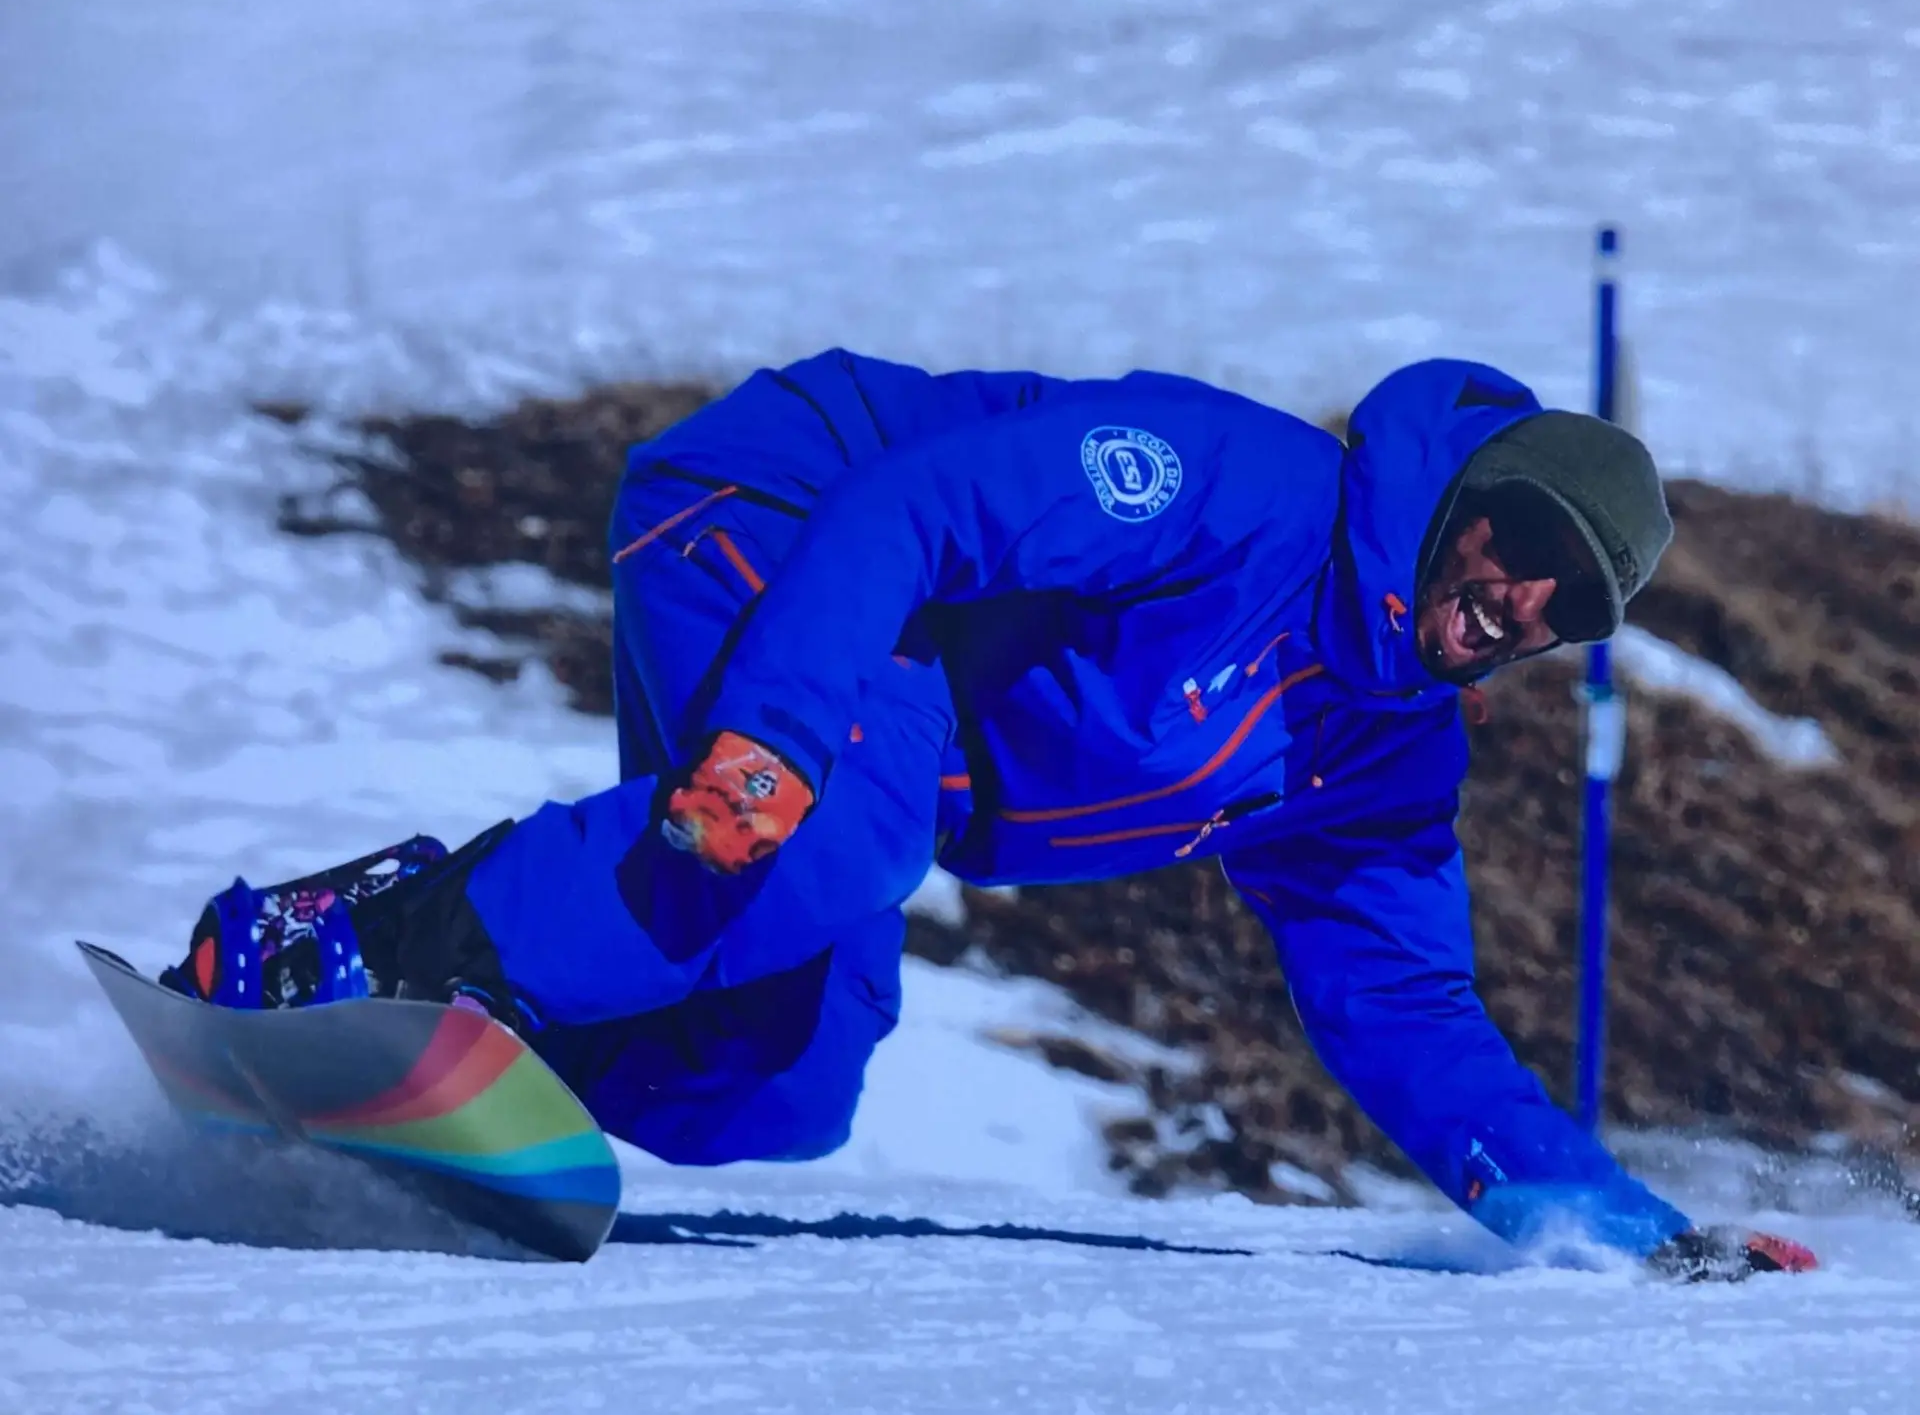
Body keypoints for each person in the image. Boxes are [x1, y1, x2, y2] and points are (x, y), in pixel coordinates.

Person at [165, 350, 1814, 1282]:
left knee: (785, 1082)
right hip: (788, 510)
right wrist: (779, 734)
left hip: (898, 690)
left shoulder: (1380, 763)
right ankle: (334, 945)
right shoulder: (1246, 491)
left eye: (1568, 608)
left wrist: (1633, 1240)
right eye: (1521, 541)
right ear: (1469, 501)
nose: (1520, 599)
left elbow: (1406, 1013)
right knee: (823, 846)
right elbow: (922, 506)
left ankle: (452, 1049)